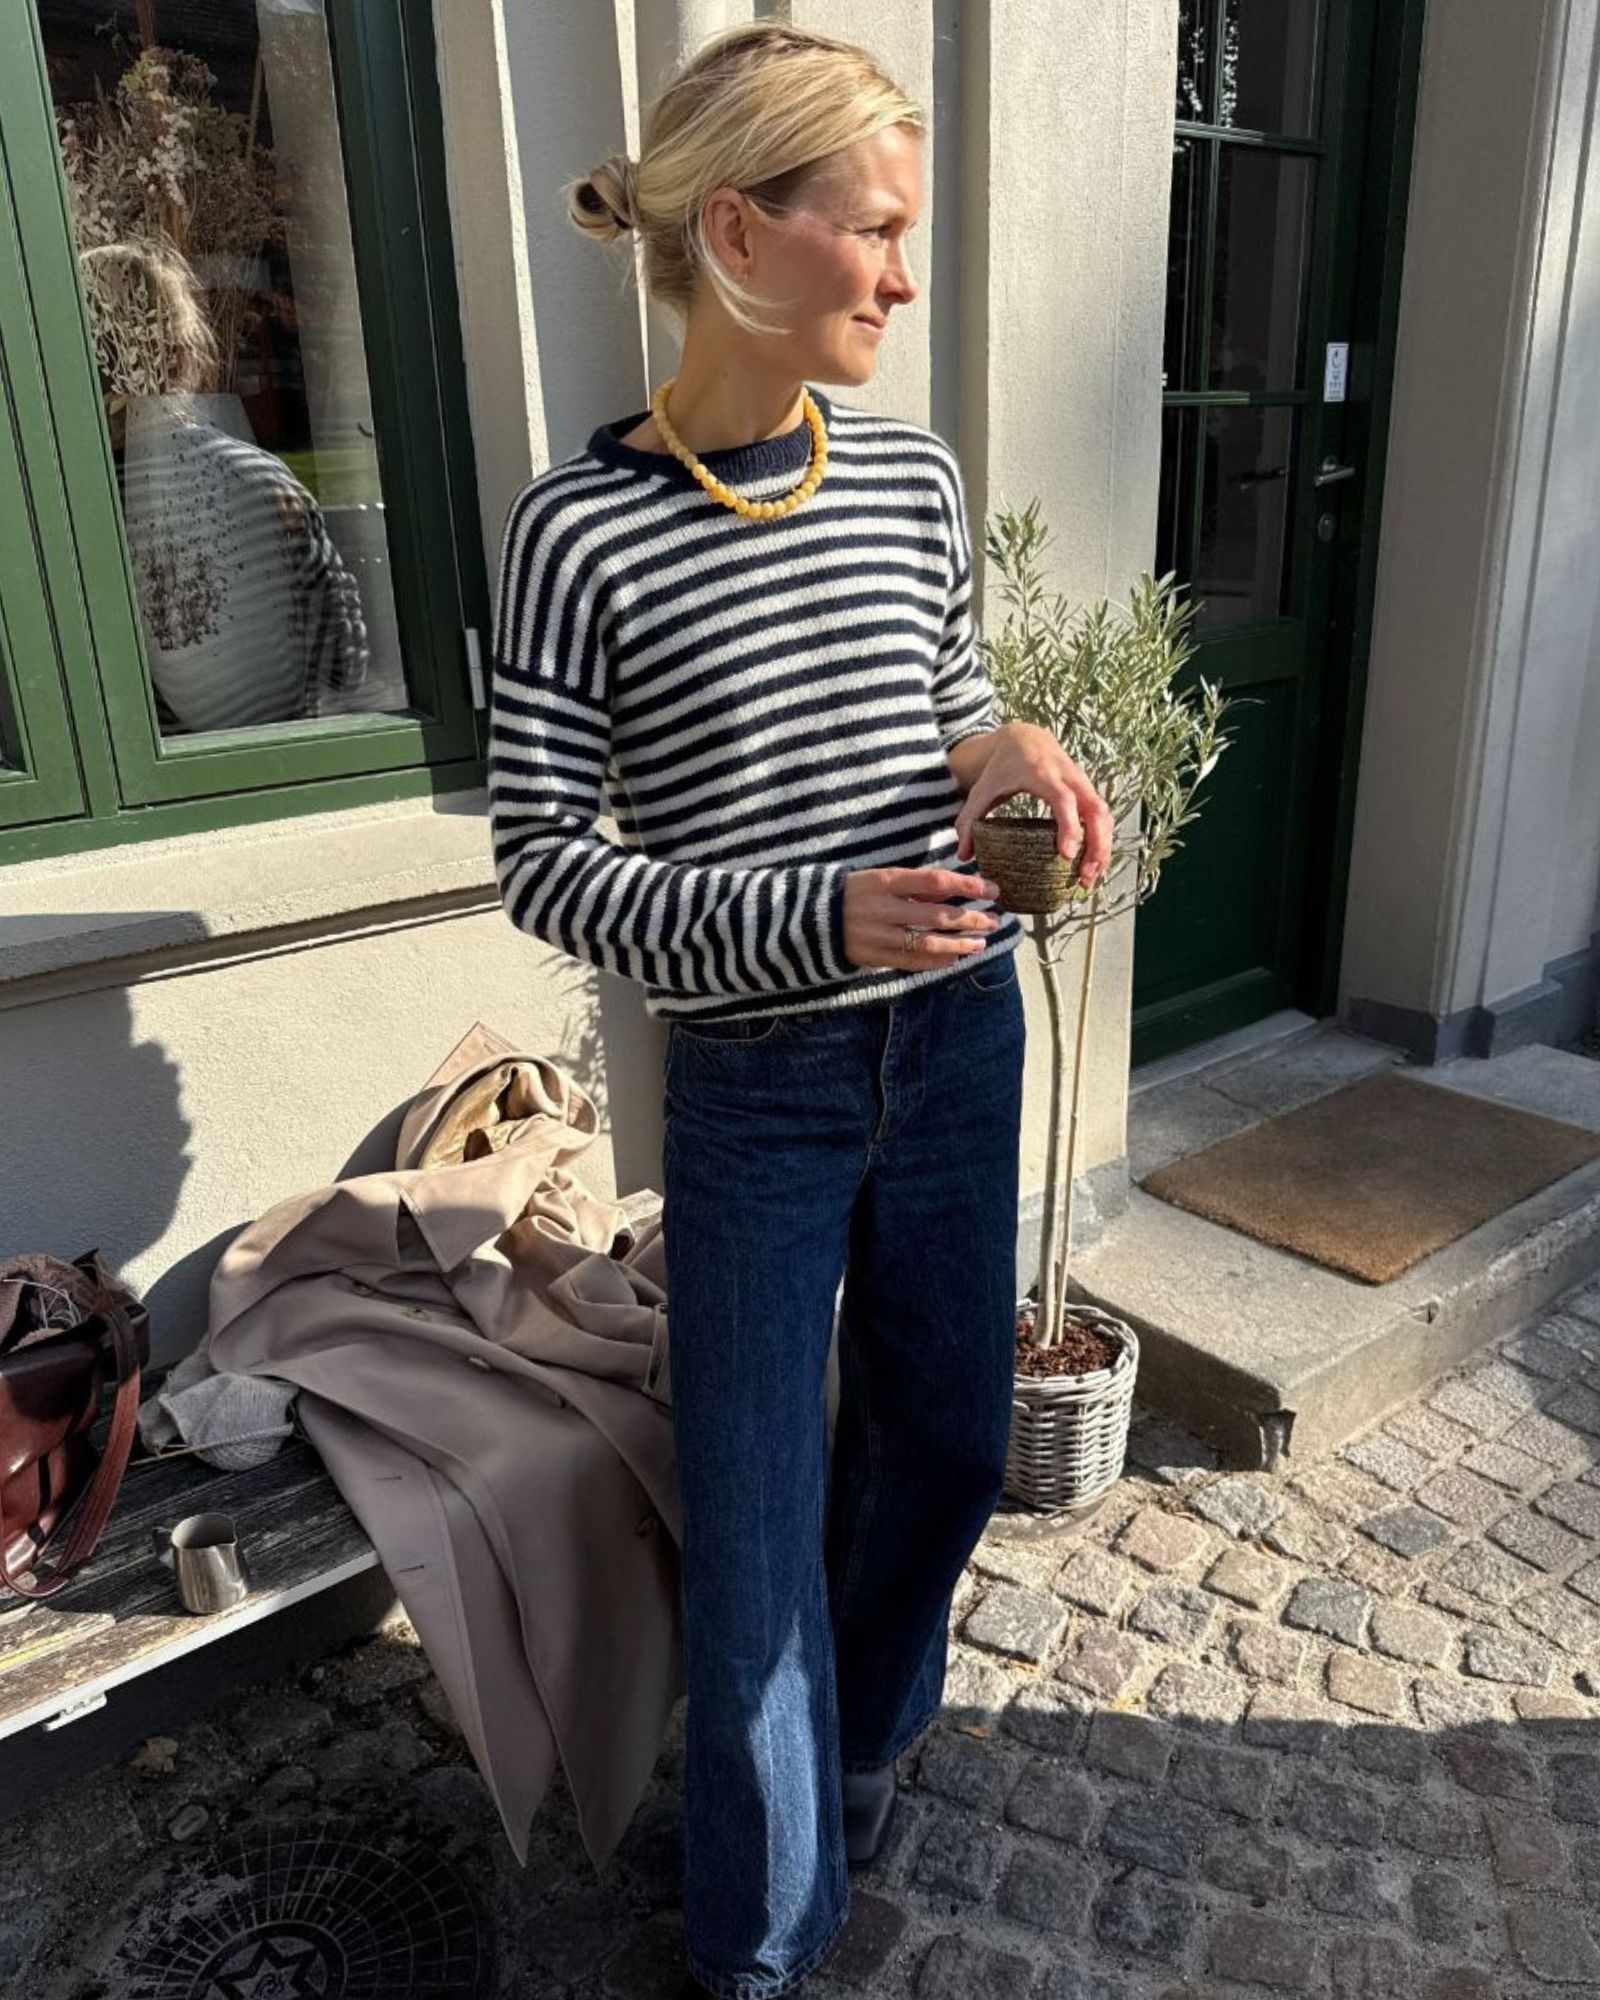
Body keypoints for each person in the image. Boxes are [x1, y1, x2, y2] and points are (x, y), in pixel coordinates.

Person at [486, 24, 1111, 1998]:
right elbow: (542, 862)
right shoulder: (577, 531)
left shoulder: (909, 477)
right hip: (757, 1088)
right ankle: (760, 1941)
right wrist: (810, 914)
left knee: (945, 1440)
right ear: (744, 237)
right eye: (879, 231)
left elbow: (948, 702)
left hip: (958, 1045)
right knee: (755, 1523)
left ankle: (851, 1741)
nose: (905, 279)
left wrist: (1006, 751)